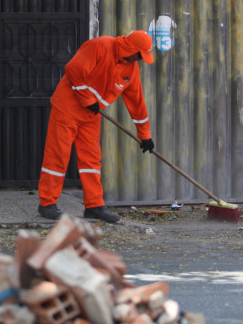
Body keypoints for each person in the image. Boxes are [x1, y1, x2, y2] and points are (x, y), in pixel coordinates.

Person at [38, 30, 156, 223]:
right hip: (67, 107)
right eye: (140, 55)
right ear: (130, 49)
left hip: (91, 114)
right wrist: (87, 98)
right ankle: (46, 203)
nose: (141, 60)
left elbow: (137, 104)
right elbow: (74, 69)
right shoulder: (101, 45)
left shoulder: (131, 69)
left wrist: (145, 136)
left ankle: (94, 206)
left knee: (91, 160)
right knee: (58, 154)